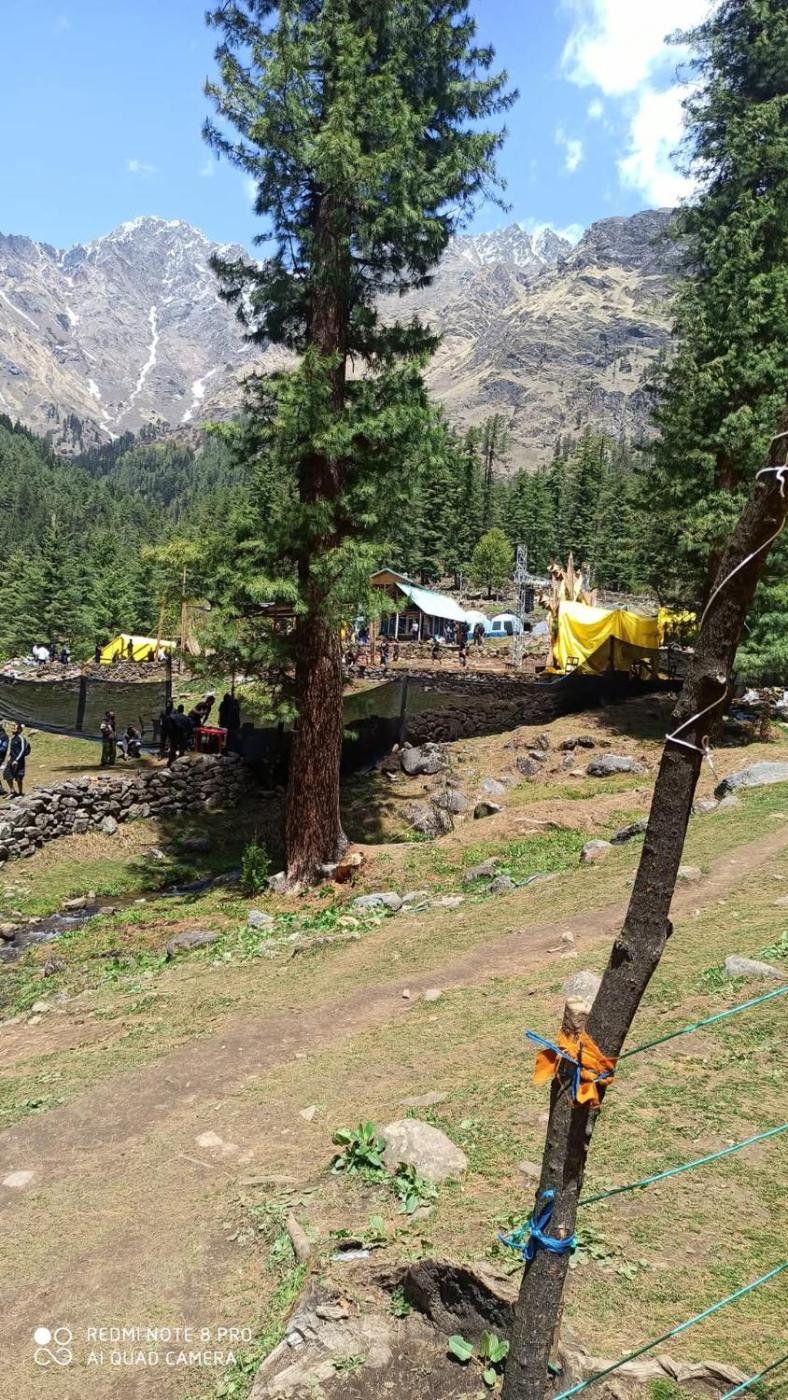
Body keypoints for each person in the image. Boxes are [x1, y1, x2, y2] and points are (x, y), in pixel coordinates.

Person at [4, 723, 30, 796]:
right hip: (11, 760)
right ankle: (13, 791)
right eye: (12, 728)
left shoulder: (21, 738)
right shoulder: (13, 738)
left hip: (19, 761)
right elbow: (12, 750)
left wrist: (17, 760)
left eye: (14, 728)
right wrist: (9, 758)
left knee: (19, 777)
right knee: (7, 774)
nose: (12, 729)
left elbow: (23, 750)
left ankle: (20, 793)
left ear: (19, 730)